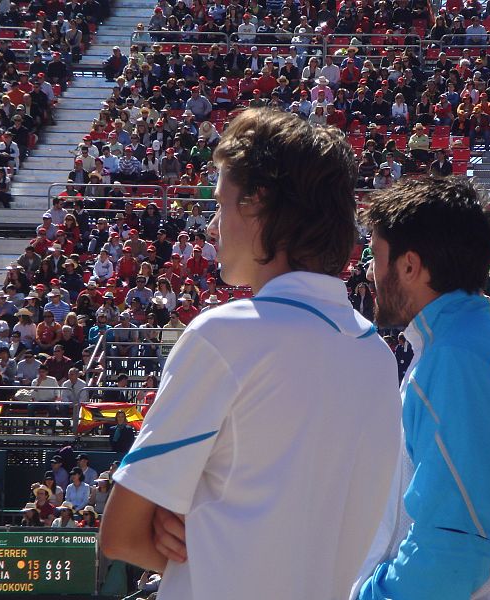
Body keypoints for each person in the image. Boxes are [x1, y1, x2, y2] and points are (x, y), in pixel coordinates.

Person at [100, 109, 402, 600]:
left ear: (257, 204)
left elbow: (120, 534)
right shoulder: (377, 356)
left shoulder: (225, 337)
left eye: (220, 204)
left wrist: (181, 527)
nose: (214, 225)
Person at [353, 177, 490, 599]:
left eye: (375, 254)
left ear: (409, 266)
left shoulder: (453, 361)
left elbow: (454, 552)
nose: (368, 269)